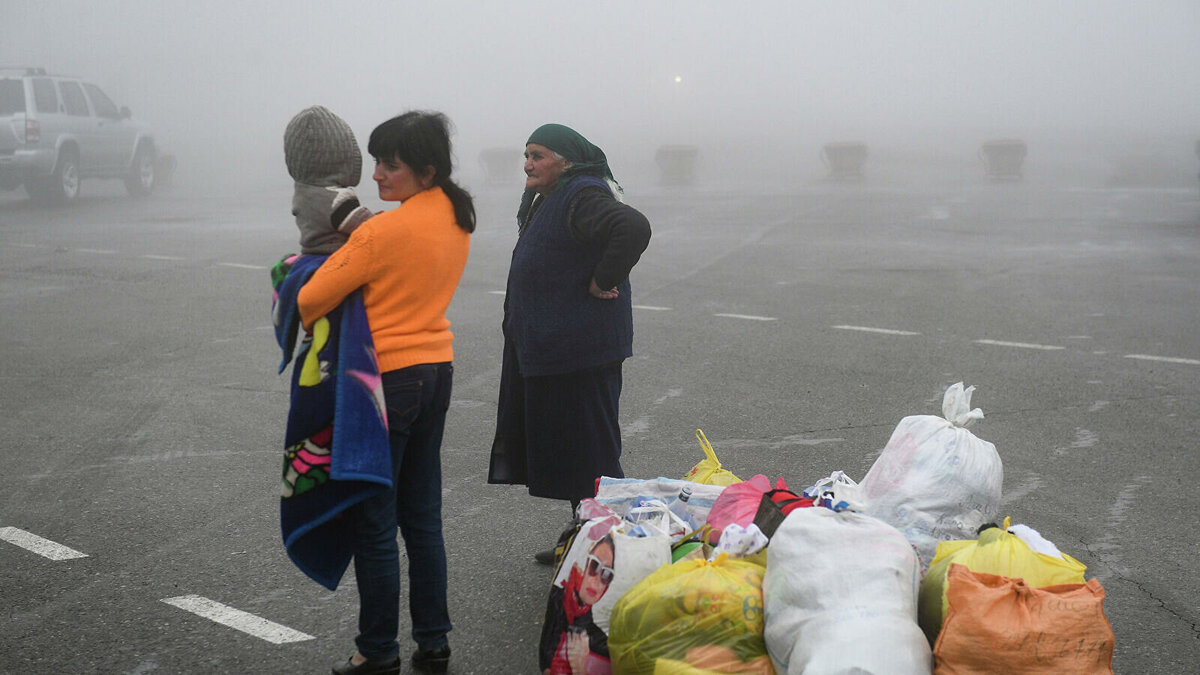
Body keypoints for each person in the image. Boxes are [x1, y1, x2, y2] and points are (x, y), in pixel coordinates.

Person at [297, 111, 474, 675]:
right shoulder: (454, 215)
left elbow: (313, 298)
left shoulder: (383, 232)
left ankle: (376, 651)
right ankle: (434, 640)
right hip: (437, 370)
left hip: (387, 382)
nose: (376, 175)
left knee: (374, 521)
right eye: (375, 162)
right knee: (421, 517)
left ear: (425, 169)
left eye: (389, 165)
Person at [487, 123, 652, 564]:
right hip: (561, 349)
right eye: (526, 155)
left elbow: (632, 226)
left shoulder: (582, 193)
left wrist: (603, 279)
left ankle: (611, 548)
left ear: (567, 160)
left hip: (582, 350)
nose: (528, 164)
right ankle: (586, 537)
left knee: (593, 452)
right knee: (576, 451)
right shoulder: (559, 195)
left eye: (538, 155)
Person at [539, 533, 617, 674]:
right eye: (594, 566)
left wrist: (579, 668)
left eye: (607, 575)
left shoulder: (604, 639)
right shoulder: (561, 602)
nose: (596, 579)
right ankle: (563, 548)